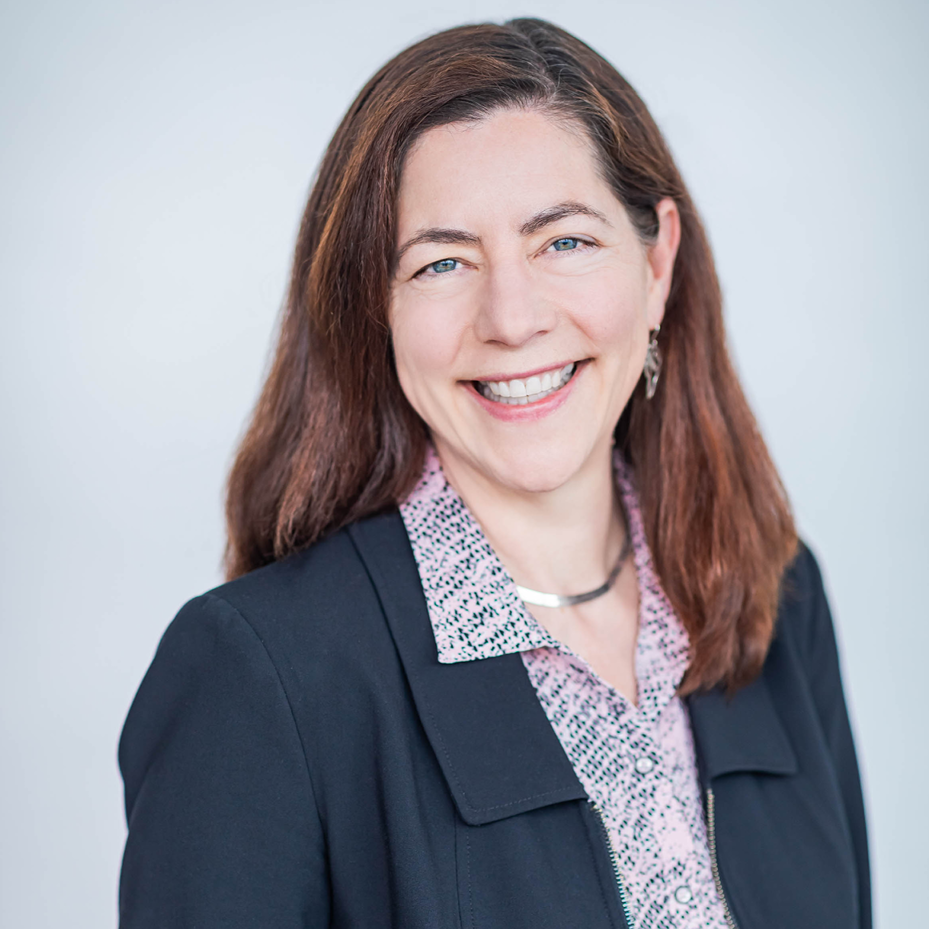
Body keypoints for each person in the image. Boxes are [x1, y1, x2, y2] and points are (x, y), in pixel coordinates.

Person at [117, 18, 870, 929]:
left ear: (657, 262)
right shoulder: (263, 676)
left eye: (564, 242)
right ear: (376, 312)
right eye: (441, 262)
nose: (510, 319)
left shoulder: (771, 598)